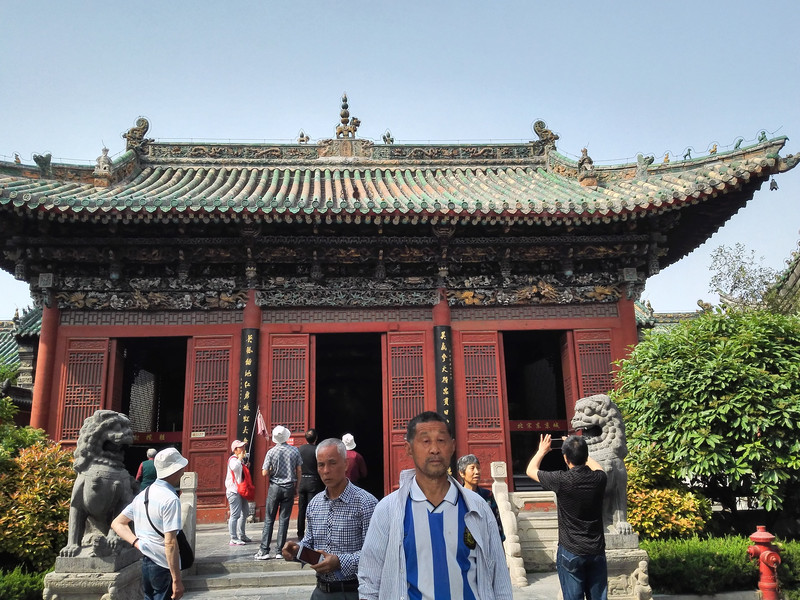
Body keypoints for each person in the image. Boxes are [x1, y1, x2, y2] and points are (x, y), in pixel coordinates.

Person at [358, 411, 512, 600]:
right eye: (425, 441)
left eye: (441, 441)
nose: (434, 449)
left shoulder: (478, 508)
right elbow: (370, 580)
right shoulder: (388, 510)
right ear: (409, 448)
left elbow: (500, 578)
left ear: (453, 446)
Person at [282, 438, 378, 599]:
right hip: (320, 592)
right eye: (321, 465)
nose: (326, 470)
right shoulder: (315, 504)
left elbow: (375, 554)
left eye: (332, 463)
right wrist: (298, 551)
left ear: (346, 464)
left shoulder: (366, 503)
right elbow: (310, 541)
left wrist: (340, 561)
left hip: (353, 591)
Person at [526, 434, 608, 600]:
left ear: (565, 457)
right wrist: (581, 450)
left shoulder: (562, 480)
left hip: (571, 549)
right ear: (585, 456)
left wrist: (542, 451)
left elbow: (530, 470)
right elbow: (599, 468)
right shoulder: (599, 479)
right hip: (596, 549)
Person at [111, 447, 188, 600]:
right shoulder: (170, 499)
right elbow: (170, 543)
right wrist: (177, 580)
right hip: (163, 564)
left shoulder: (143, 495)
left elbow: (117, 523)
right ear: (175, 470)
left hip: (146, 561)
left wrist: (137, 543)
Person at [255, 425, 302, 560]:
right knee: (284, 520)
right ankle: (279, 551)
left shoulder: (271, 452)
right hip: (289, 487)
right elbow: (299, 470)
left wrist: (271, 469)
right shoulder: (294, 451)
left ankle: (264, 550)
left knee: (269, 519)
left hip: (275, 487)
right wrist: (297, 487)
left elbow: (264, 472)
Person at [457, 453, 505, 542]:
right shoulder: (457, 496)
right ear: (462, 473)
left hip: (486, 541)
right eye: (472, 468)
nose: (477, 472)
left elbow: (496, 520)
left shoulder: (487, 495)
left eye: (478, 468)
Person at [297, 429, 324, 539]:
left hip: (302, 480)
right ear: (316, 438)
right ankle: (311, 533)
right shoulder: (317, 450)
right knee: (312, 509)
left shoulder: (300, 449)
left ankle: (300, 533)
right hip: (313, 480)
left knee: (301, 509)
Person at [227, 439, 252, 545]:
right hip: (233, 491)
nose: (243, 449)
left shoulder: (239, 460)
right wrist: (240, 459)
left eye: (243, 447)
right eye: (240, 447)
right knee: (235, 515)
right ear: (235, 450)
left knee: (245, 512)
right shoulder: (233, 459)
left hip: (242, 490)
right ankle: (233, 537)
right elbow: (234, 467)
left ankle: (242, 534)